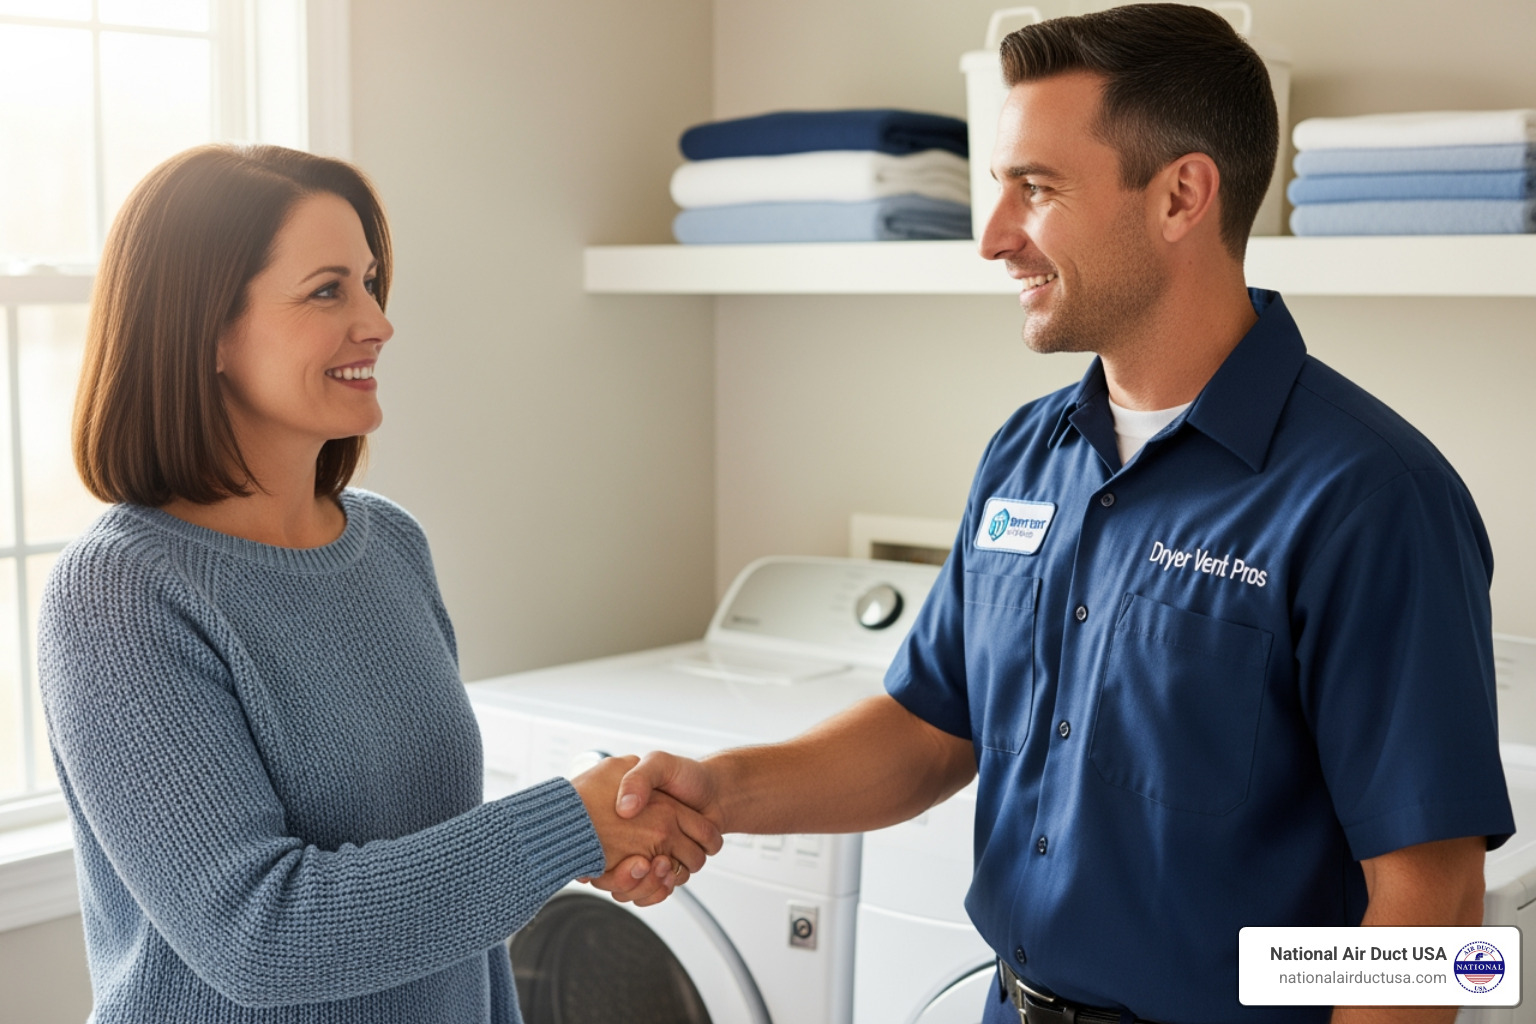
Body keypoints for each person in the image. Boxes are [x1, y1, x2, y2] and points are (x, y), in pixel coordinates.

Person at [593, 6, 1515, 1023]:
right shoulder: (1028, 454)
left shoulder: (1370, 496)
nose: (993, 238)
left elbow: (1431, 910)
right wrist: (717, 788)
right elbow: (929, 726)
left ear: (1181, 195)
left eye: (1034, 189)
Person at [38, 143, 719, 1024]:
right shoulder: (120, 595)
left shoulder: (389, 543)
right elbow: (260, 934)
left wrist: (571, 838)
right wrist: (565, 827)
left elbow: (448, 908)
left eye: (368, 282)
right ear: (204, 328)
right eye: (328, 290)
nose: (378, 322)